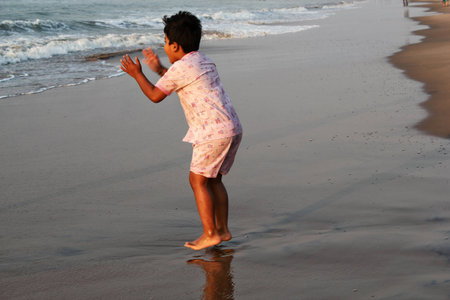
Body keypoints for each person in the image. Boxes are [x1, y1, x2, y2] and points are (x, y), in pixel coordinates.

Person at [120, 11, 242, 251]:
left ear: (175, 45)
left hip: (212, 133)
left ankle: (210, 233)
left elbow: (156, 95)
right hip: (231, 128)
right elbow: (180, 80)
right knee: (214, 179)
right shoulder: (203, 60)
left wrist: (138, 75)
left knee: (196, 180)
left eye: (165, 43)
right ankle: (223, 230)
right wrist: (159, 69)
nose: (164, 47)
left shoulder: (180, 68)